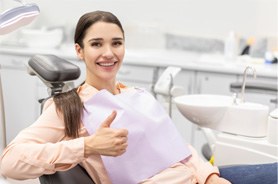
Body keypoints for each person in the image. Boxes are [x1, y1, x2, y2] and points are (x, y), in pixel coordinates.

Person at [0, 10, 277, 184]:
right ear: (79, 50)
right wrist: (87, 146)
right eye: (96, 44)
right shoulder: (68, 107)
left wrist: (209, 176)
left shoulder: (137, 95)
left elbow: (179, 150)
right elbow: (10, 162)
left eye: (116, 43)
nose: (108, 53)